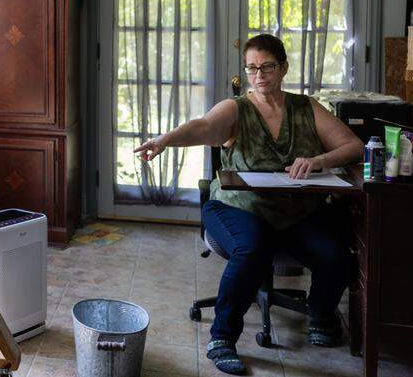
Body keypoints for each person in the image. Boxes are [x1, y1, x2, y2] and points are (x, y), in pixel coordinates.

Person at [135, 34, 363, 375]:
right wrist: (166, 140)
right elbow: (204, 127)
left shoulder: (306, 107)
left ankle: (320, 311)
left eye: (267, 67)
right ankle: (222, 338)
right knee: (252, 249)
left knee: (336, 257)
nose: (259, 75)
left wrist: (319, 160)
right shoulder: (236, 108)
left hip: (294, 211)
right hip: (236, 208)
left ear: (283, 68)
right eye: (252, 68)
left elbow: (353, 145)